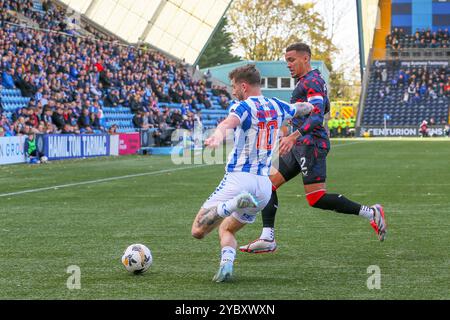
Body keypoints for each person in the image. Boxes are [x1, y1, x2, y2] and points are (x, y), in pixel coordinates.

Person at [239, 43, 387, 254]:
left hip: (311, 145)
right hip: (299, 144)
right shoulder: (305, 82)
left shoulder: (313, 81)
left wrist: (293, 135)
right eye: (286, 61)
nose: (288, 65)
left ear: (305, 58)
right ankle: (267, 237)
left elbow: (317, 116)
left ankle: (371, 213)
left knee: (316, 198)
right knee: (267, 184)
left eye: (291, 60)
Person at [190, 64, 313, 282]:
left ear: (244, 86)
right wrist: (311, 106)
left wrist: (217, 136)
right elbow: (301, 108)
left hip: (239, 179)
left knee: (198, 230)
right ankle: (226, 265)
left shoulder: (243, 106)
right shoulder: (278, 105)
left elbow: (229, 122)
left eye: (234, 87)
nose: (232, 91)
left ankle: (231, 204)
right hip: (264, 187)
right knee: (227, 229)